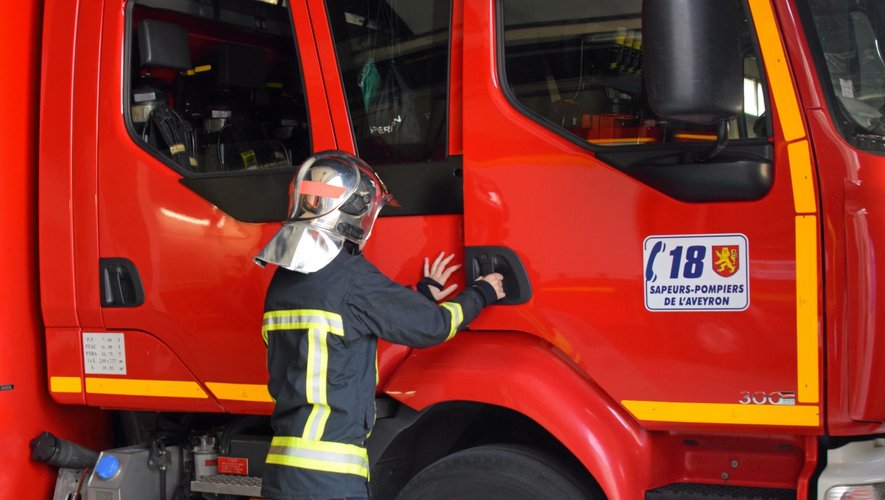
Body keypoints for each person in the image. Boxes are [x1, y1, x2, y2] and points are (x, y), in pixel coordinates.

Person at [253, 150, 505, 500]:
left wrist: (422, 292)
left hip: (281, 473)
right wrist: (483, 292)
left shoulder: (282, 281)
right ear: (354, 211)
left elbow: (348, 315)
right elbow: (433, 326)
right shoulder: (350, 278)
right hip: (329, 481)